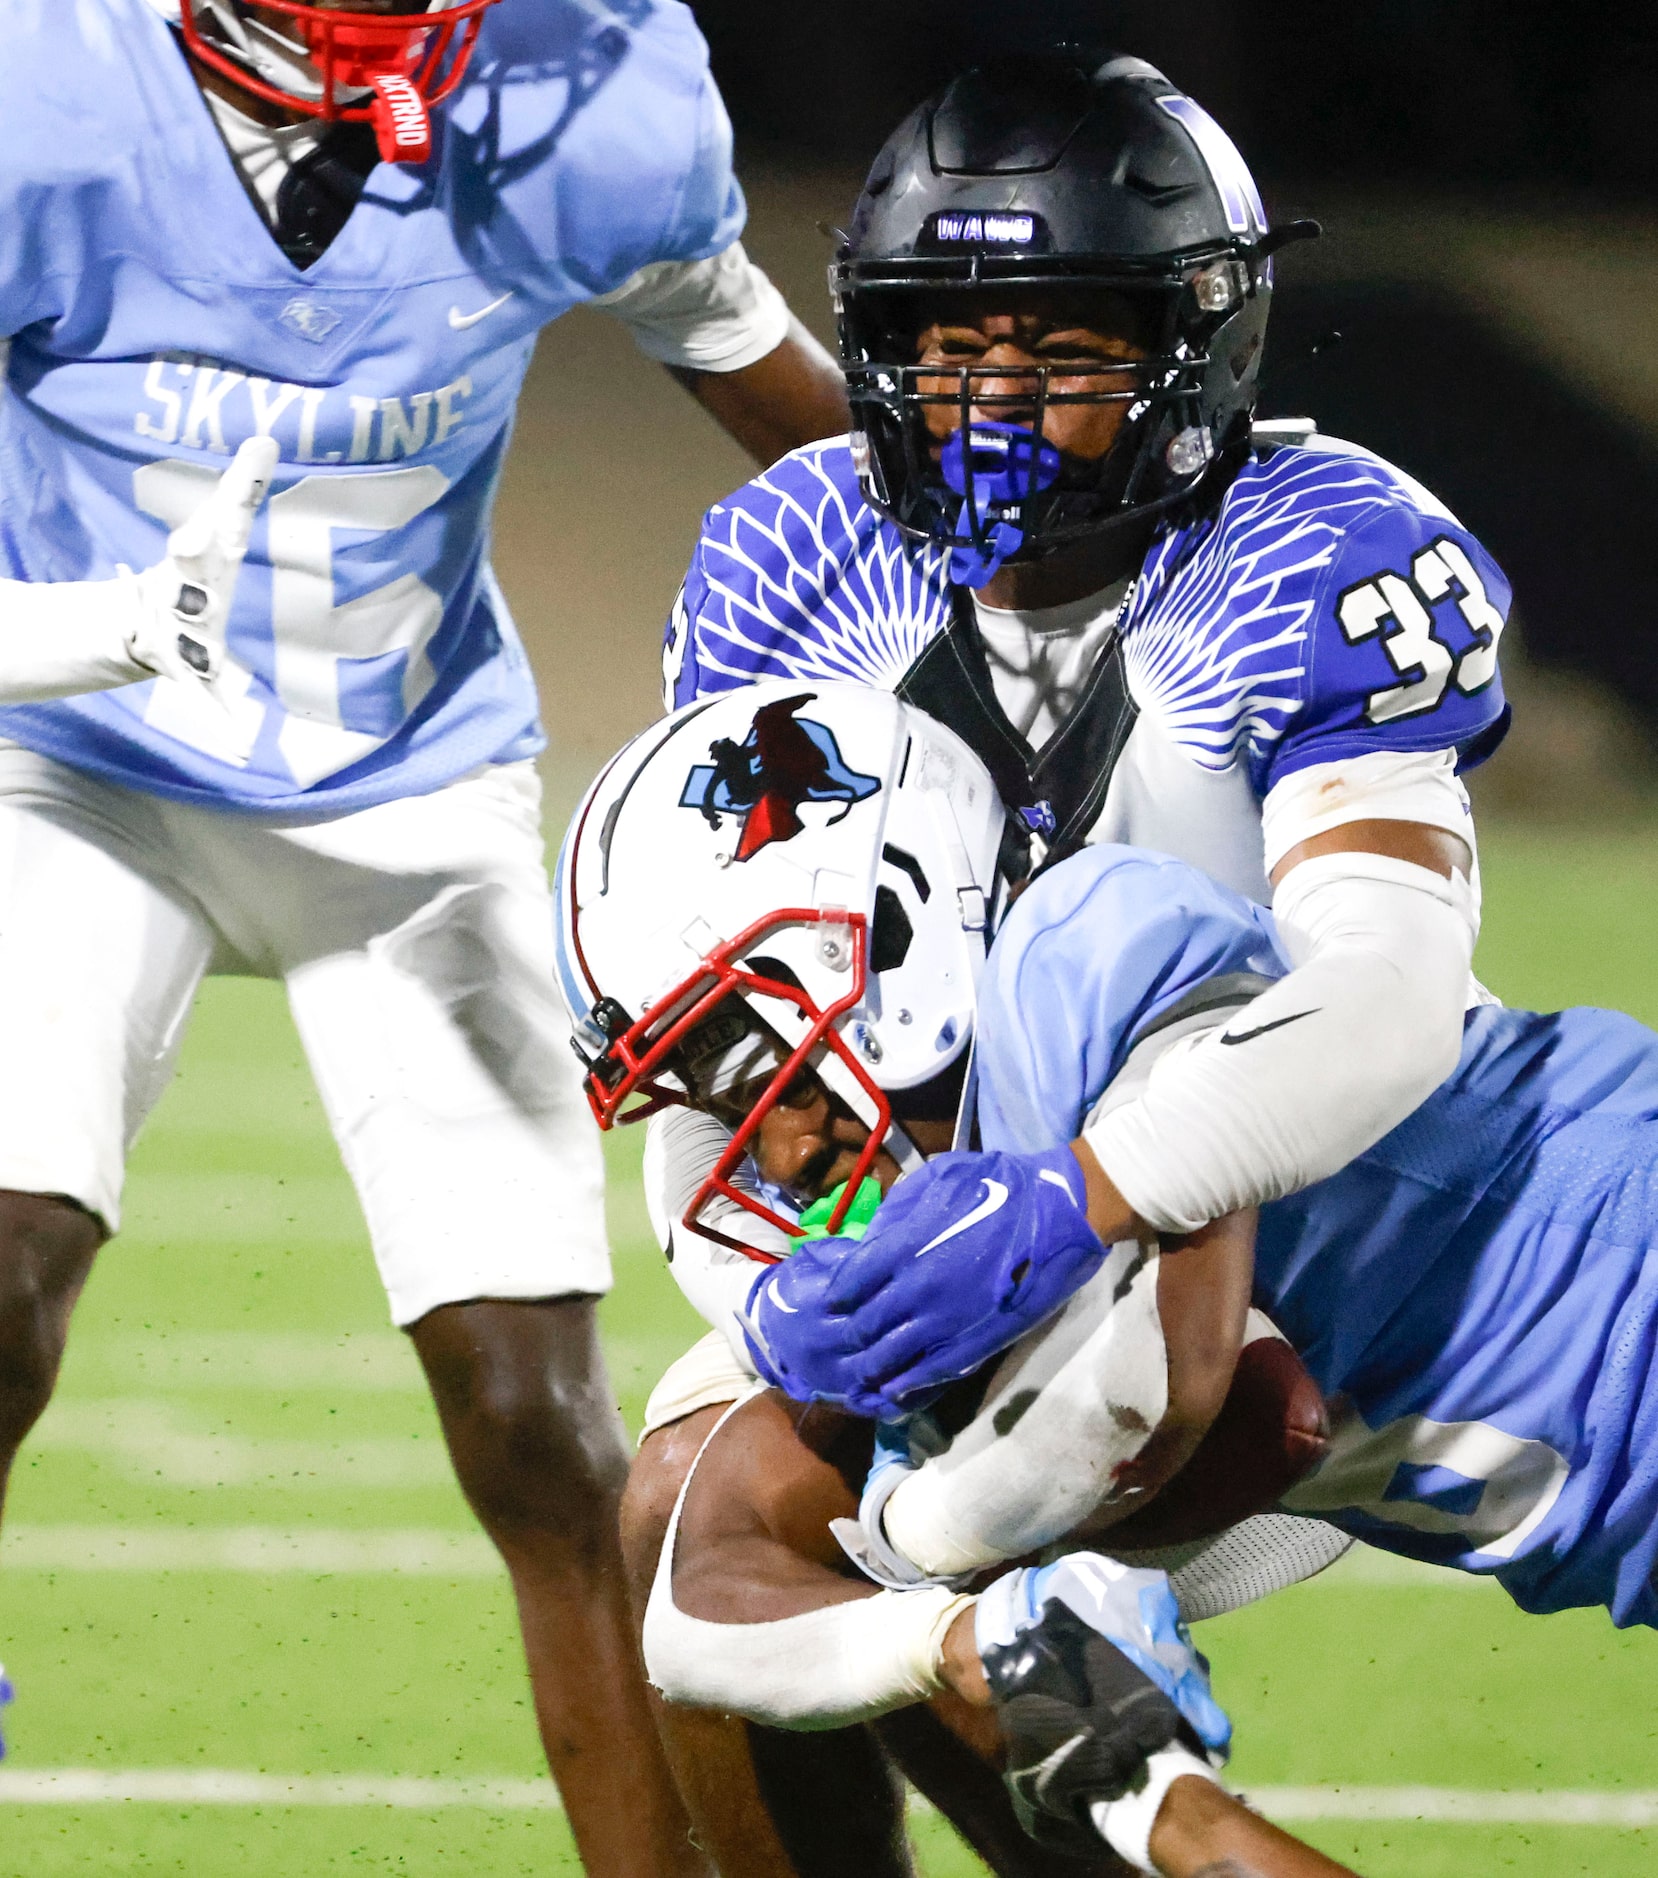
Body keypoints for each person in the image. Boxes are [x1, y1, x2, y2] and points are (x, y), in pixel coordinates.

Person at [626, 44, 1513, 1872]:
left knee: (784, 1545)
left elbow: (1383, 1000)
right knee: (697, 1529)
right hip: (958, 1212)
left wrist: (1077, 1192)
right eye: (948, 348)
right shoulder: (794, 559)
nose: (995, 399)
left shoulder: (1304, 552)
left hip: (1286, 1248)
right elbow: (755, 978)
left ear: (1188, 346)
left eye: (1061, 348)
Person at [0, 3, 848, 1871]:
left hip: (405, 778)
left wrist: (1028, 601)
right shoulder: (39, 90)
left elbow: (769, 392)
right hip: (69, 764)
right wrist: (86, 634)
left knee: (538, 1418)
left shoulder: (589, 95)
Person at [557, 680, 1658, 1874]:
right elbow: (688, 1596)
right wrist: (956, 1638)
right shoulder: (941, 1190)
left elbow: (1173, 1398)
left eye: (740, 1054)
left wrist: (919, 1551)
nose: (769, 1145)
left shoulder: (1082, 946)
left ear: (888, 921)